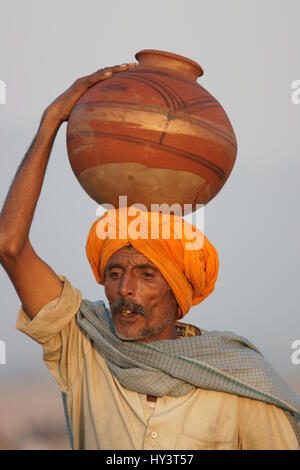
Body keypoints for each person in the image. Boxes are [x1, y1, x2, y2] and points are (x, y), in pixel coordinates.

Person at [0, 64, 299, 451]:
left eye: (146, 274)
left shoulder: (241, 384)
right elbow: (10, 245)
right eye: (114, 271)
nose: (125, 289)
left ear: (178, 288)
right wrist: (51, 121)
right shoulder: (83, 350)